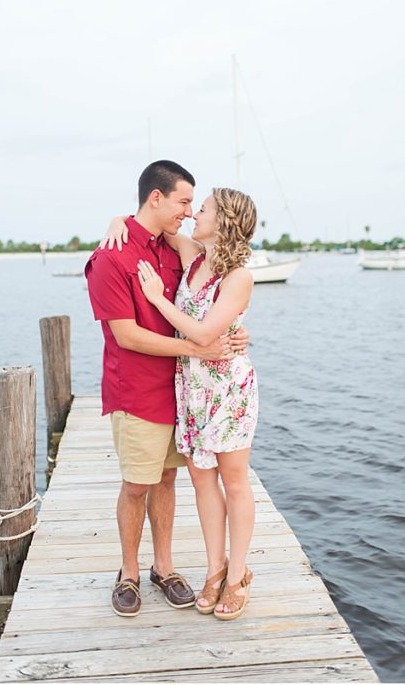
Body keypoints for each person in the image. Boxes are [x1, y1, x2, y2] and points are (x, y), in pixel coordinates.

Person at [84, 160, 246, 618]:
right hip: (136, 390)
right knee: (137, 484)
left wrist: (232, 334)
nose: (191, 212)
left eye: (196, 204)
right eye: (183, 201)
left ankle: (164, 566)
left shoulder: (174, 250)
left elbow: (217, 290)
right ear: (156, 197)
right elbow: (126, 336)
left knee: (169, 479)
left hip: (183, 392)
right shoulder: (110, 258)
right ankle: (129, 572)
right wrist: (200, 350)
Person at [134, 187, 259, 620]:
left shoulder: (239, 276)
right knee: (203, 481)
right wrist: (116, 222)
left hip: (227, 390)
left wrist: (157, 300)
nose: (192, 215)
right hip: (191, 386)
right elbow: (146, 225)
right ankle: (215, 569)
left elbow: (205, 335)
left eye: (201, 209)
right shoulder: (194, 257)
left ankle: (239, 573)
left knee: (234, 480)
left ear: (222, 220)